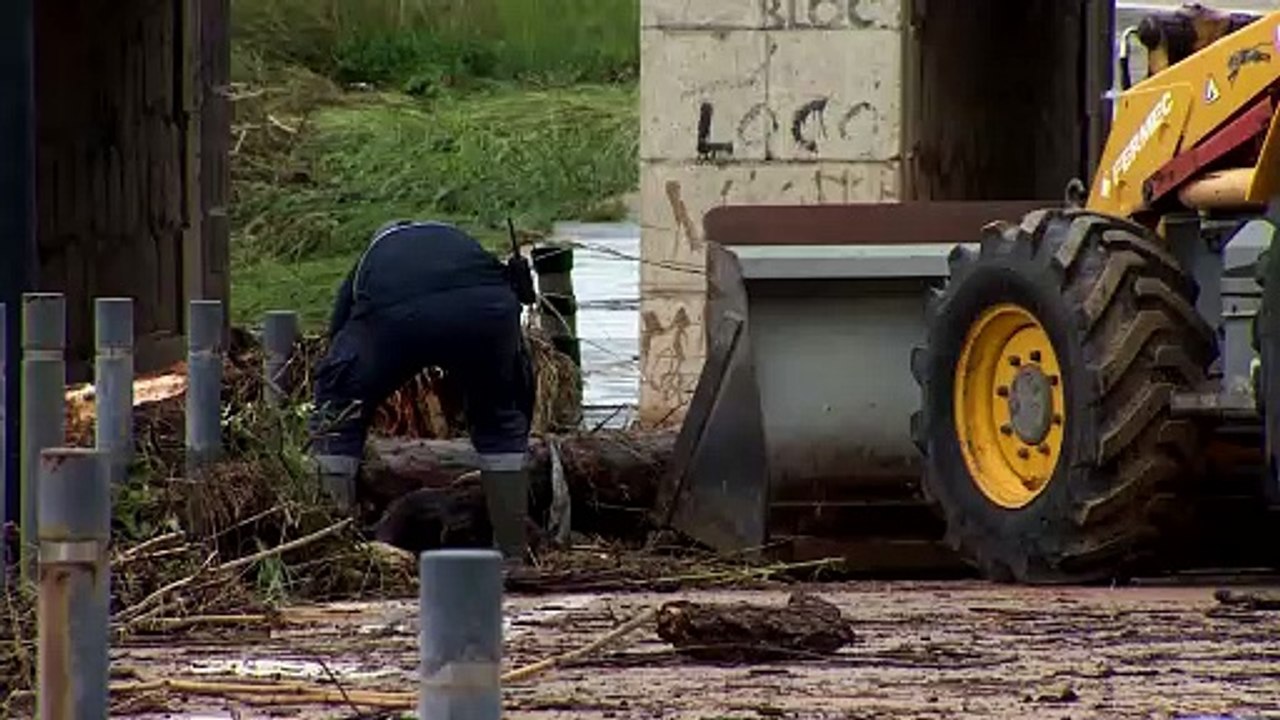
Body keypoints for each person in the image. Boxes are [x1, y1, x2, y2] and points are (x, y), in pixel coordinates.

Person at [308, 219, 538, 565]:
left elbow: (339, 333)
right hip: (487, 313)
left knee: (338, 410)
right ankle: (514, 555)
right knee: (500, 421)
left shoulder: (373, 258)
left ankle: (330, 552)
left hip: (396, 315)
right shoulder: (461, 242)